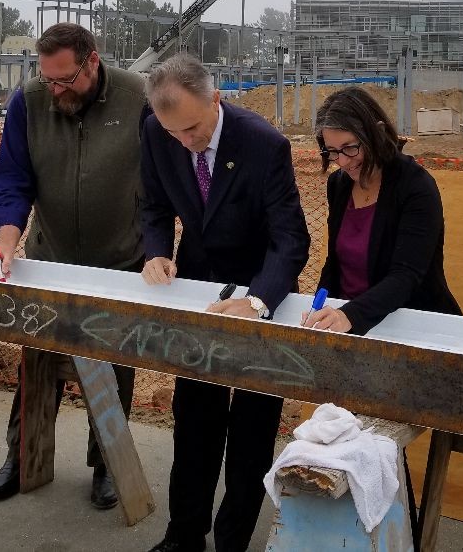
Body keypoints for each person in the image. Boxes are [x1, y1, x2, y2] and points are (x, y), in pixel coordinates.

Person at [139, 53, 310, 552]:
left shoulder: (263, 144)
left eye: (193, 129)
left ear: (216, 98)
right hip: (197, 287)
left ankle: (233, 538)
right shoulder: (156, 131)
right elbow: (153, 203)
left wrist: (258, 302)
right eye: (175, 133)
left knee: (253, 426)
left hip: (261, 290)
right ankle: (184, 533)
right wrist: (155, 252)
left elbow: (290, 240)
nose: (185, 141)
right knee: (194, 416)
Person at [0, 23, 149, 510]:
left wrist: (156, 248)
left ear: (92, 62)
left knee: (114, 368)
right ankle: (21, 453)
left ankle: (107, 464)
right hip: (51, 260)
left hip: (119, 263)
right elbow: (12, 177)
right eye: (46, 79)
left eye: (65, 80)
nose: (55, 90)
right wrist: (7, 238)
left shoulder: (137, 99)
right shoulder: (29, 102)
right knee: (37, 362)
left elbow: (159, 182)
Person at [302, 87, 461, 336]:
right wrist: (319, 310)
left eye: (350, 148)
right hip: (352, 324)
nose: (342, 161)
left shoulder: (416, 187)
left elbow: (405, 276)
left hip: (410, 326)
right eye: (332, 151)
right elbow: (335, 262)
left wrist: (349, 315)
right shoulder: (340, 185)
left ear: (375, 132)